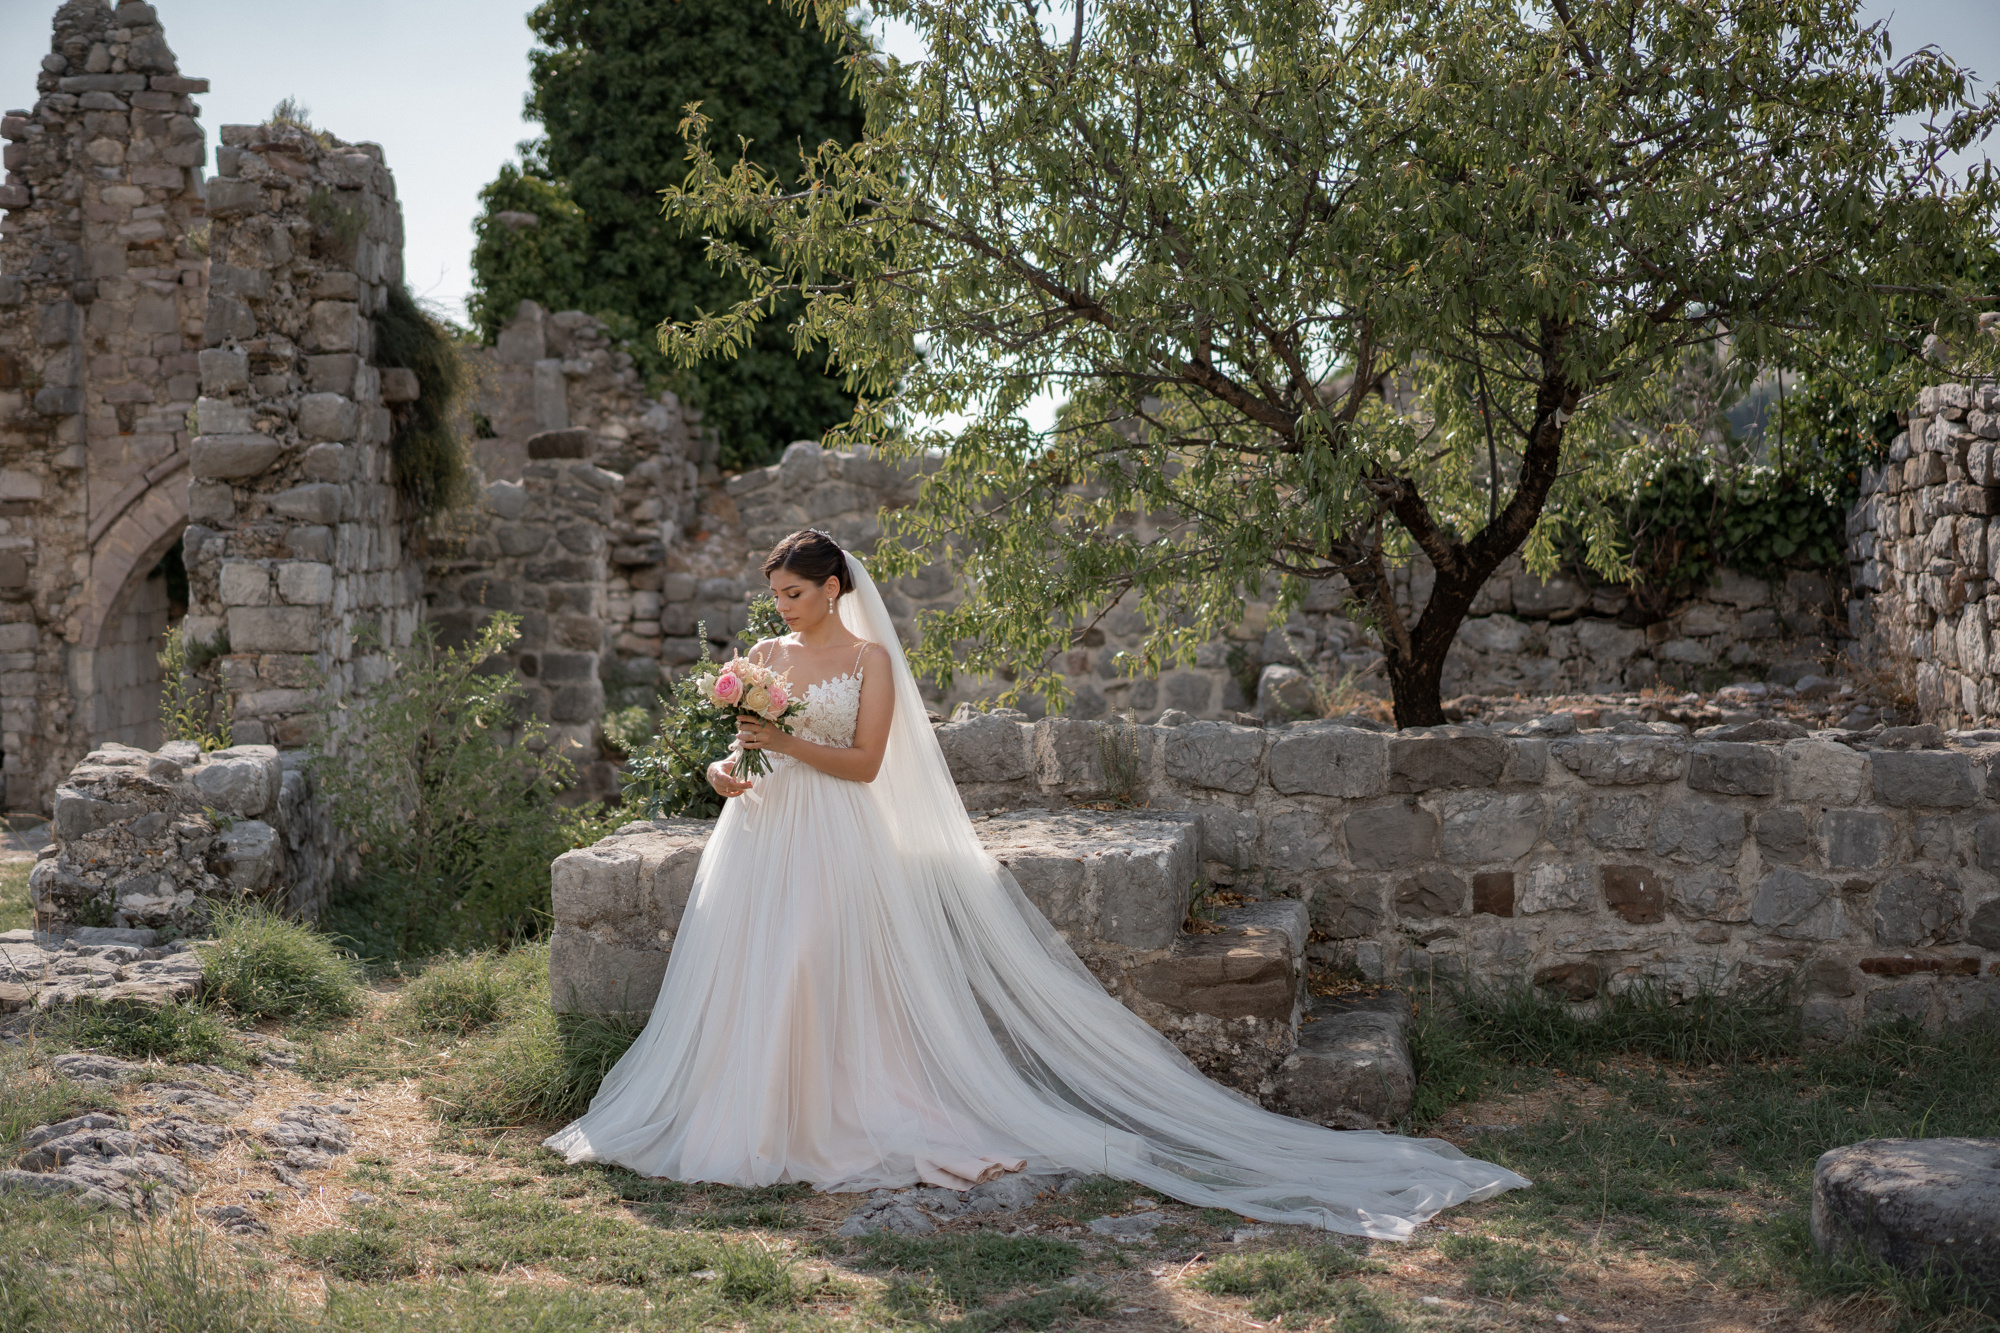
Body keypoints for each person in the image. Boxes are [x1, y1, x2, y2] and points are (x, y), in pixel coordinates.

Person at [545, 529, 1528, 1237]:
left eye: (794, 594)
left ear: (833, 585)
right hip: (760, 836)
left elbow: (863, 763)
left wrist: (783, 738)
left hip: (838, 833)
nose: (781, 610)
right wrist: (732, 767)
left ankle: (839, 1115)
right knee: (759, 977)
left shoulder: (870, 658)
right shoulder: (761, 658)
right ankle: (755, 1122)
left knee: (818, 968)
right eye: (776, 597)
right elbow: (742, 762)